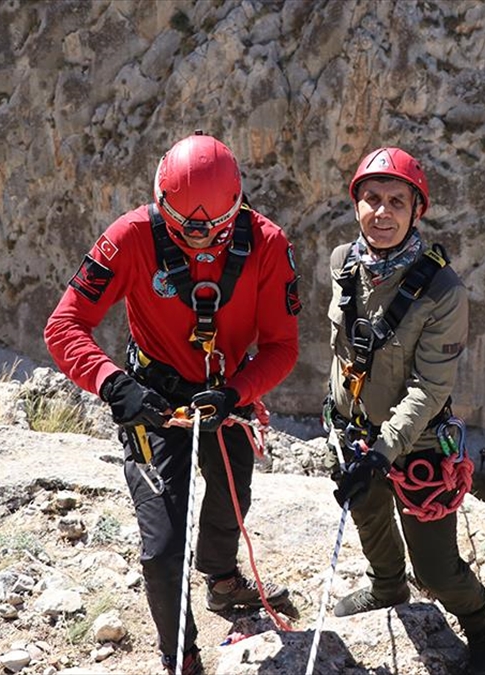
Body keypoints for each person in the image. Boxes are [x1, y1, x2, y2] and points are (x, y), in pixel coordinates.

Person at [44, 131, 300, 675]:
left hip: (224, 394)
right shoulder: (131, 237)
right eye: (184, 231)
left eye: (211, 234)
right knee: (162, 547)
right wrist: (114, 384)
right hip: (152, 400)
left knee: (232, 501)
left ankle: (221, 577)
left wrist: (239, 392)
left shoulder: (268, 245)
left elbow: (282, 346)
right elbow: (65, 324)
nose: (199, 244)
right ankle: (179, 654)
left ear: (236, 210)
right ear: (161, 205)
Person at [325, 147, 485, 675]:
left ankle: (482, 627)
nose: (382, 213)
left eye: (396, 203)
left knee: (436, 567)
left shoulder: (443, 291)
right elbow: (340, 349)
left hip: (415, 441)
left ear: (416, 211)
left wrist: (382, 454)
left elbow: (429, 389)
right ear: (356, 204)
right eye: (372, 200)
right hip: (356, 433)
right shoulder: (342, 264)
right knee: (370, 519)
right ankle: (386, 586)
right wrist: (335, 414)